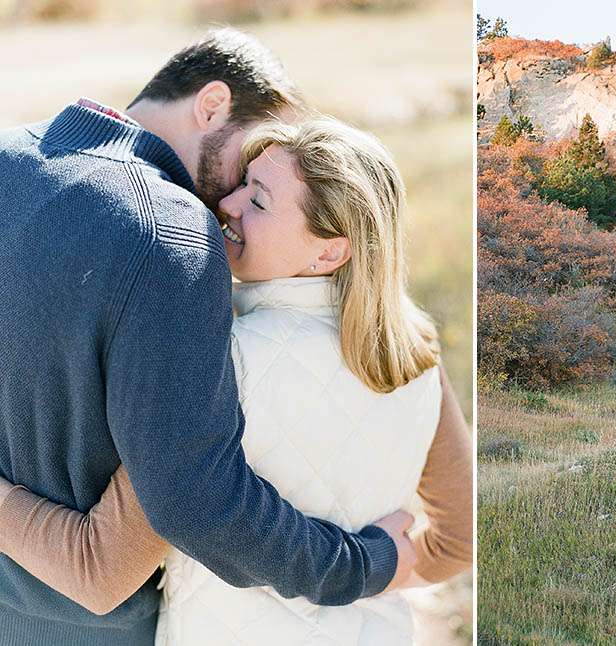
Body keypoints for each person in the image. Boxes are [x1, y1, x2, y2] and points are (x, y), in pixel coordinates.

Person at [0, 28, 466, 645]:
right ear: (212, 104)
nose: (227, 203)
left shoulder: (12, 158)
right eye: (246, 168)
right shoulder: (173, 236)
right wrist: (373, 567)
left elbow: (145, 530)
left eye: (260, 192)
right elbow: (457, 536)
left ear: (331, 248)